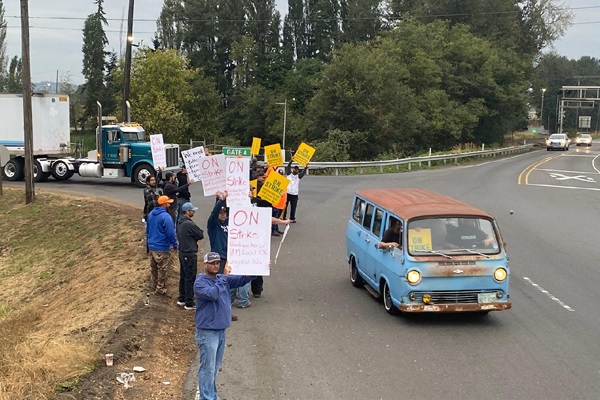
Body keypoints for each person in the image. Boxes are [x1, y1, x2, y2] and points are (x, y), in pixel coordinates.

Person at [194, 252, 256, 400]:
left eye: (217, 263)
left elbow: (242, 279)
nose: (215, 265)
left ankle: (211, 395)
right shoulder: (200, 282)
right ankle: (207, 397)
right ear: (205, 264)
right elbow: (213, 294)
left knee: (214, 367)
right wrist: (225, 277)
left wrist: (257, 269)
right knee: (207, 368)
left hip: (220, 330)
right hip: (207, 332)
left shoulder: (222, 279)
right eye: (212, 263)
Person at [147, 195, 178, 295]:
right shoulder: (166, 217)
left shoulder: (151, 214)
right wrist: (174, 244)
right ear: (164, 204)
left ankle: (154, 285)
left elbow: (147, 230)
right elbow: (170, 233)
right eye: (168, 203)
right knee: (162, 269)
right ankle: (160, 288)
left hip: (152, 246)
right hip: (162, 246)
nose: (169, 204)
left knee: (154, 268)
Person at [176, 202, 204, 310]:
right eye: (192, 210)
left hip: (183, 252)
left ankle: (182, 298)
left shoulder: (180, 222)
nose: (194, 212)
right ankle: (189, 302)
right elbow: (200, 234)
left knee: (183, 276)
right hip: (189, 253)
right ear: (187, 211)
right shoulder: (189, 224)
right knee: (190, 278)